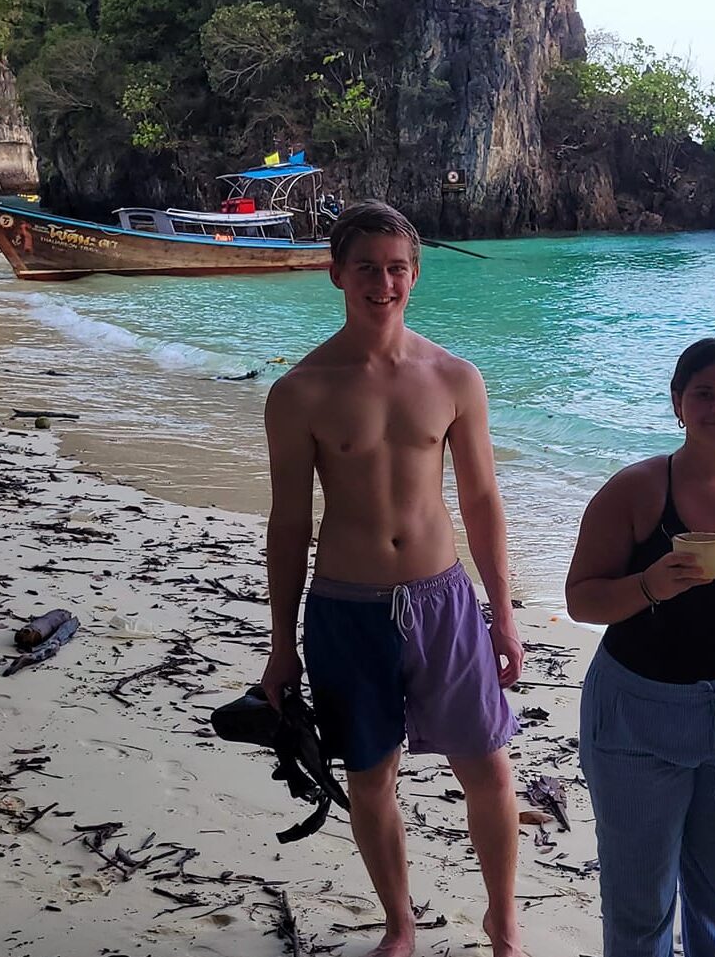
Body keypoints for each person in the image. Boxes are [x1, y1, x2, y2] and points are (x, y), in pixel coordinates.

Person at [260, 201, 526, 957]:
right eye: (368, 267)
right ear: (336, 272)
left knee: (488, 767)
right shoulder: (300, 390)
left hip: (442, 597)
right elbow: (288, 523)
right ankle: (399, 924)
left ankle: (503, 925)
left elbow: (481, 501)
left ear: (415, 273)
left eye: (398, 267)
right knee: (371, 773)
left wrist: (501, 614)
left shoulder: (453, 376)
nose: (384, 282)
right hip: (346, 606)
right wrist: (282, 644)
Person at [565, 337, 715, 957]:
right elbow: (582, 600)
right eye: (704, 394)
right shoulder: (637, 490)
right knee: (640, 900)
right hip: (637, 711)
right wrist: (649, 584)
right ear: (677, 403)